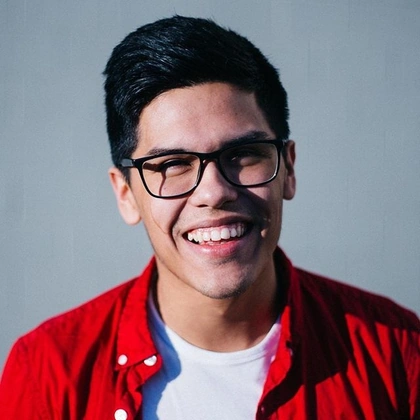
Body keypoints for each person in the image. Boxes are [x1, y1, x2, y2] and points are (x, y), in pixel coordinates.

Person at [0, 15, 418, 420]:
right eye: (173, 164)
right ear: (126, 194)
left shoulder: (398, 351)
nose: (214, 192)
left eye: (243, 154)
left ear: (288, 169)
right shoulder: (47, 373)